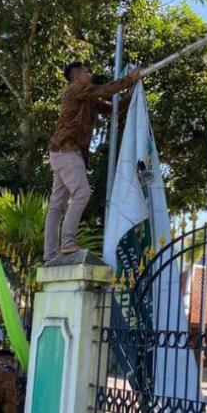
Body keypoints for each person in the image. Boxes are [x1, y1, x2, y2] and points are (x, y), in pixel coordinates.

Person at [44, 60, 142, 263]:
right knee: (81, 193)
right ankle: (68, 241)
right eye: (86, 72)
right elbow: (105, 90)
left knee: (57, 205)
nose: (89, 75)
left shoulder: (87, 97)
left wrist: (131, 90)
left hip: (62, 151)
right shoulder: (75, 89)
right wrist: (129, 79)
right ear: (77, 75)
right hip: (66, 149)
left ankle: (50, 253)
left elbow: (113, 108)